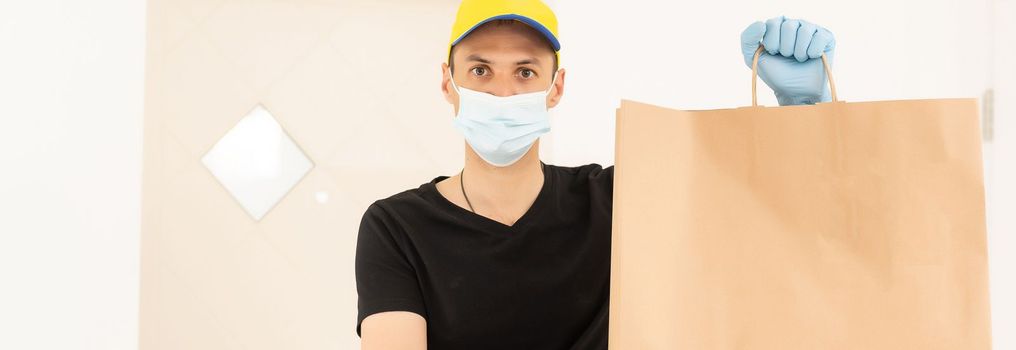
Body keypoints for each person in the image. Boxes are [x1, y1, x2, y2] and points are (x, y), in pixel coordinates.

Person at [354, 1, 837, 349]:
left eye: (525, 72)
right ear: (448, 82)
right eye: (480, 71)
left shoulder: (616, 199)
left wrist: (803, 111)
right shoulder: (397, 227)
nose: (502, 92)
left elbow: (769, 208)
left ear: (556, 86)